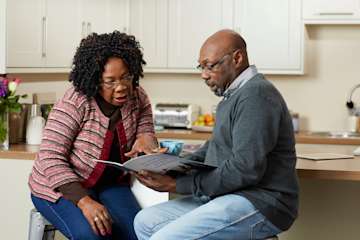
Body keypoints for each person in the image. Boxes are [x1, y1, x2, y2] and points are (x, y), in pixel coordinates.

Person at [133, 29, 299, 240]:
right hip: (229, 195)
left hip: (261, 201)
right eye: (201, 67)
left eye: (210, 66)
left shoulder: (256, 95)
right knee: (145, 222)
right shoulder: (233, 96)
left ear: (237, 58)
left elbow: (245, 169)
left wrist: (178, 185)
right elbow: (213, 148)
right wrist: (170, 165)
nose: (204, 75)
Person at [28, 31, 158, 240]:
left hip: (109, 183)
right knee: (94, 236)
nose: (121, 87)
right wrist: (85, 202)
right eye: (110, 81)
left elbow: (145, 126)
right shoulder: (76, 102)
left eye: (126, 77)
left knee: (139, 232)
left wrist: (145, 137)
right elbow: (50, 156)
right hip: (60, 188)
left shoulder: (137, 96)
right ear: (95, 80)